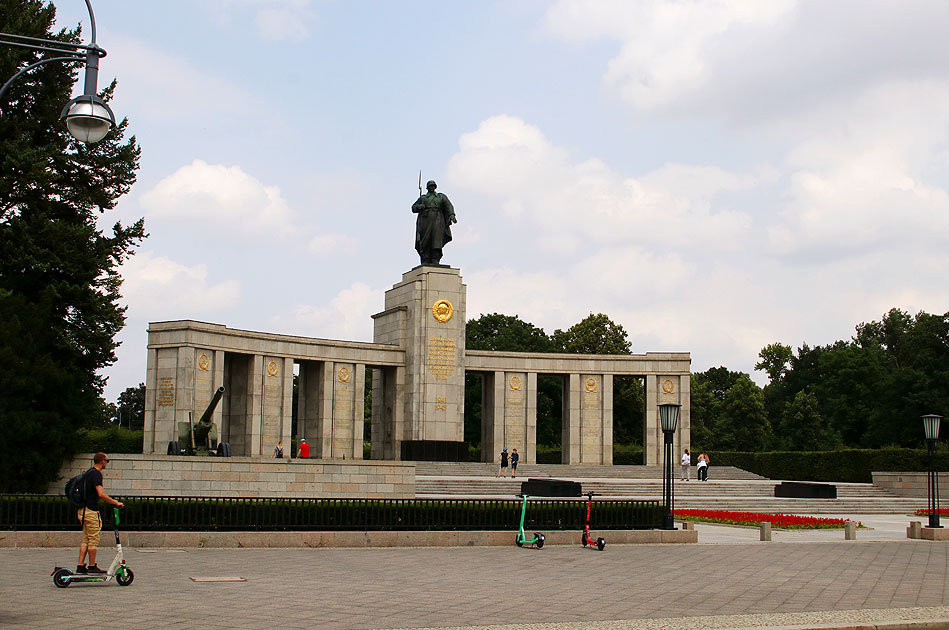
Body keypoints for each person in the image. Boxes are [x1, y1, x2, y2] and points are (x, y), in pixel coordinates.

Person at [76, 452, 124, 575]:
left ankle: (80, 566)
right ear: (102, 461)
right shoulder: (96, 474)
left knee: (86, 539)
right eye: (107, 461)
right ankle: (92, 566)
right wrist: (115, 503)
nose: (107, 463)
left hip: (82, 510)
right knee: (93, 539)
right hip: (91, 511)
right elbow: (101, 494)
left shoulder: (88, 473)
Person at [412, 180, 457, 265]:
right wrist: (420, 206)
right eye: (430, 186)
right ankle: (425, 258)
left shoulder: (441, 196)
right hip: (426, 219)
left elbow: (448, 205)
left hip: (438, 219)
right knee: (425, 240)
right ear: (427, 188)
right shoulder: (423, 198)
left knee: (437, 239)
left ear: (435, 187)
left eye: (433, 186)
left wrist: (452, 215)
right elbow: (413, 208)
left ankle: (435, 258)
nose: (432, 187)